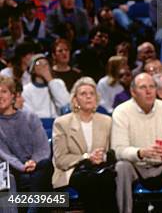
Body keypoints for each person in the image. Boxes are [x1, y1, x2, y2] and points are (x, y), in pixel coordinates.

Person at [112, 72, 162, 213]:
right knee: (121, 166)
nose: (148, 91)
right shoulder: (121, 112)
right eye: (143, 87)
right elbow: (118, 149)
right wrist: (140, 153)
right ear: (133, 92)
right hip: (136, 165)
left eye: (152, 86)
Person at [52, 77, 118, 213]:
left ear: (96, 99)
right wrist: (86, 157)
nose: (88, 97)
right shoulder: (62, 123)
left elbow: (114, 151)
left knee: (107, 179)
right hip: (73, 170)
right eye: (83, 94)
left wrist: (103, 157)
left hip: (101, 168)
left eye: (91, 93)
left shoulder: (106, 121)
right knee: (91, 180)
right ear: (75, 100)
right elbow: (61, 160)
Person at [0, 75, 52, 211]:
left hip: (37, 169)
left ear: (13, 96)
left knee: (45, 165)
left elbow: (43, 148)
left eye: (3, 91)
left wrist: (33, 162)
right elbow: (4, 153)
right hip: (13, 169)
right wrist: (22, 167)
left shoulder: (30, 117)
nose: (0, 96)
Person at [23, 53, 70, 118]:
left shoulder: (59, 83)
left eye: (46, 64)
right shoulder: (26, 90)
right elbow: (29, 115)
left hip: (58, 123)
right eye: (39, 64)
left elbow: (65, 104)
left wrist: (50, 80)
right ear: (32, 70)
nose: (43, 66)